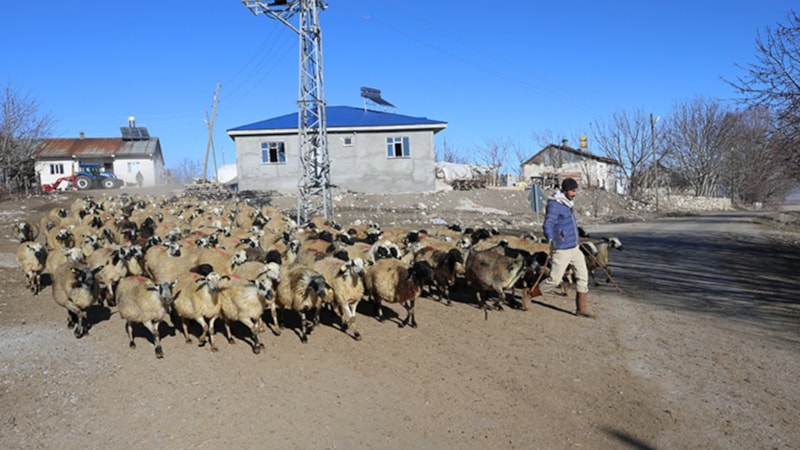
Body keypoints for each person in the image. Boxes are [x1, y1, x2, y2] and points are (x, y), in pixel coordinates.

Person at [528, 177, 594, 318]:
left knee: (583, 277)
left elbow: (567, 224)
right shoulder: (555, 204)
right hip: (562, 248)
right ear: (564, 190)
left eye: (575, 190)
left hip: (574, 247)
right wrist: (550, 238)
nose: (574, 193)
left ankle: (581, 308)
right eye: (572, 190)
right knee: (555, 280)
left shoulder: (568, 203)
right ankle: (529, 294)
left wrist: (578, 234)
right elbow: (548, 224)